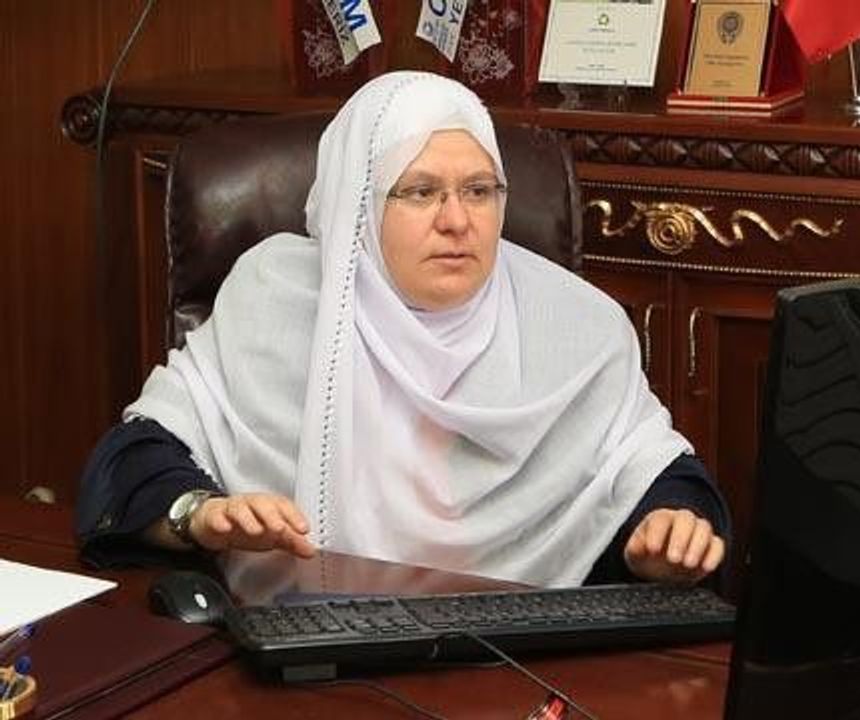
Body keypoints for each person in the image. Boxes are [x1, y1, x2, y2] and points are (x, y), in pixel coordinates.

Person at [75, 71, 729, 588]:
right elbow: (131, 463)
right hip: (303, 661)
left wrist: (667, 530)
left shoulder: (578, 324)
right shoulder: (274, 298)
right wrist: (198, 515)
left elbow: (660, 478)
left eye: (480, 190)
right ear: (357, 203)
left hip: (523, 664)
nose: (457, 220)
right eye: (419, 192)